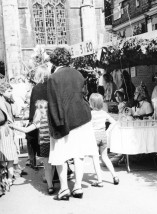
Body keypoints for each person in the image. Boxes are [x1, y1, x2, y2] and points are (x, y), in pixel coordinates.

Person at [47, 47, 99, 200]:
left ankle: (64, 189)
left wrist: (56, 125)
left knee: (60, 154)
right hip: (82, 118)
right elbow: (83, 95)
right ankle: (77, 186)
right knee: (79, 153)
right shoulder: (79, 74)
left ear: (54, 61)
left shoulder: (53, 78)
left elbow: (53, 103)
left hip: (64, 120)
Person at [9, 100, 55, 194]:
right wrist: (13, 126)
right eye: (42, 107)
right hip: (49, 144)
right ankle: (50, 183)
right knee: (50, 165)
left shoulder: (45, 121)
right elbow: (26, 130)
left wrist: (13, 126)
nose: (44, 110)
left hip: (48, 144)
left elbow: (26, 130)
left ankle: (50, 183)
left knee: (50, 166)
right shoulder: (46, 121)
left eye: (45, 107)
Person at [88, 93, 119, 186]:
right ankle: (115, 176)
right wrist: (107, 131)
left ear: (91, 104)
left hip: (94, 136)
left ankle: (100, 180)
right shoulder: (104, 113)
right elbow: (114, 122)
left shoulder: (90, 114)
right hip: (103, 135)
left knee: (95, 158)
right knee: (105, 157)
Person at [0, 81, 18, 188]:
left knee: (8, 156)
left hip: (7, 129)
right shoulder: (1, 101)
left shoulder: (7, 101)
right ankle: (7, 178)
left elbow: (14, 112)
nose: (11, 92)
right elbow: (7, 117)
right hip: (4, 130)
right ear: (1, 92)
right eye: (8, 91)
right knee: (7, 155)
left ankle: (8, 178)